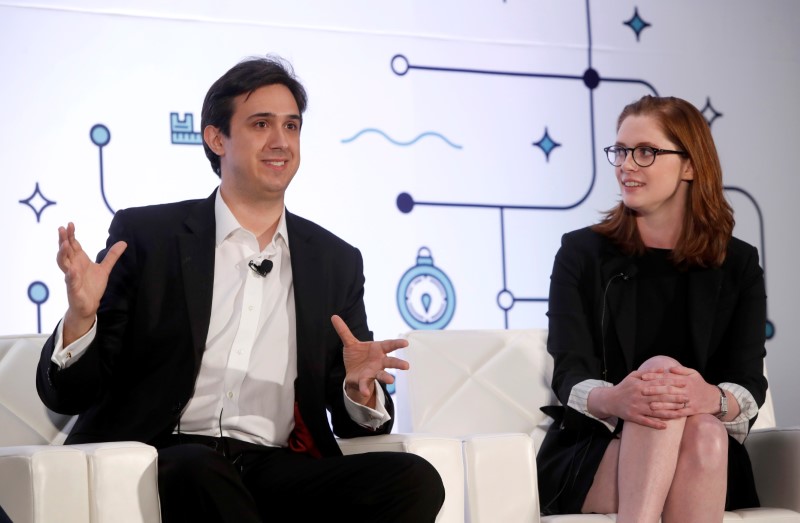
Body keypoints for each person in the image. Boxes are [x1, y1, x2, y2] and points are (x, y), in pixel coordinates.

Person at [36, 55, 445, 522]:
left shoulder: (335, 261)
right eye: (261, 124)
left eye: (292, 127)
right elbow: (67, 397)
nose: (281, 142)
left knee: (413, 480)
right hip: (167, 455)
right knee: (200, 471)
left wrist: (360, 390)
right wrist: (81, 318)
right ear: (216, 138)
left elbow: (353, 412)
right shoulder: (149, 236)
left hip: (272, 466)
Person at [536, 95, 767, 522]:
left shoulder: (738, 264)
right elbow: (569, 371)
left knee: (702, 430)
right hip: (597, 450)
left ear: (691, 165)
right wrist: (616, 398)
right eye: (621, 151)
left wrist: (710, 398)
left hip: (706, 450)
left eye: (646, 152)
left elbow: (749, 380)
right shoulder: (581, 253)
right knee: (659, 373)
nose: (626, 164)